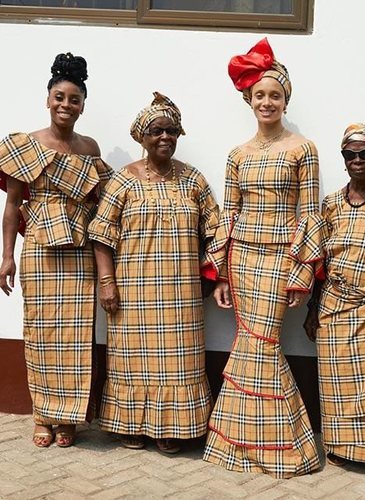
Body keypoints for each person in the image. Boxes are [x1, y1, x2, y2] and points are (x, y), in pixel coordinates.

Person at [202, 38, 322, 478]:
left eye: (274, 95)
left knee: (263, 346)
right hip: (243, 261)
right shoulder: (238, 154)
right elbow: (229, 214)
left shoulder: (302, 149)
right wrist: (221, 277)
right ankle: (240, 446)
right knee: (248, 344)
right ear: (249, 101)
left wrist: (300, 271)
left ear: (285, 99)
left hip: (278, 263)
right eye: (259, 96)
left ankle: (279, 449)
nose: (266, 102)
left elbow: (309, 214)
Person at [88, 92, 218, 454]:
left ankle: (172, 428)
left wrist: (210, 273)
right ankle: (131, 424)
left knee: (180, 361)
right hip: (133, 293)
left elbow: (217, 230)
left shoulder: (193, 180)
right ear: (142, 137)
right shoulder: (124, 181)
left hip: (181, 294)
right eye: (157, 131)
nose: (165, 137)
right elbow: (101, 235)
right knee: (132, 362)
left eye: (172, 131)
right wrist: (106, 282)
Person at [0, 53, 113, 448]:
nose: (66, 105)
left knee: (76, 333)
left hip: (79, 250)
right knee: (42, 330)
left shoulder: (89, 146)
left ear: (83, 105)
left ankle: (69, 419)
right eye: (59, 97)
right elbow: (13, 205)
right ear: (48, 99)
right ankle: (43, 416)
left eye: (74, 99)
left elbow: (101, 205)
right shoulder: (27, 145)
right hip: (41, 252)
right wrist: (7, 256)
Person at [303, 123, 365, 485]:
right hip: (335, 303)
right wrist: (313, 308)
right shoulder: (330, 203)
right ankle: (342, 447)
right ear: (343, 159)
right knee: (337, 382)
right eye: (351, 154)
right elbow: (320, 262)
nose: (358, 160)